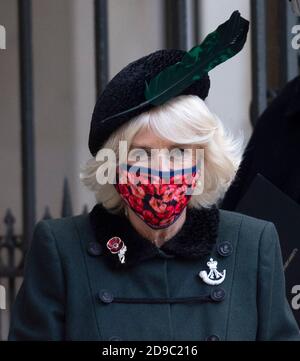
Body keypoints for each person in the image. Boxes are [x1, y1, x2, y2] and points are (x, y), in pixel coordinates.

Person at [8, 11, 300, 341]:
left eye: (178, 152)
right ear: (112, 165)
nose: (160, 170)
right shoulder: (62, 250)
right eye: (140, 153)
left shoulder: (253, 244)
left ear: (202, 160)